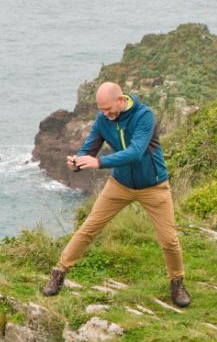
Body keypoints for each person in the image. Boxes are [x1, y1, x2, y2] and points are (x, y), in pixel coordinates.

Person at [41, 82, 191, 307]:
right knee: (89, 228)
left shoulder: (144, 116)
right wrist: (77, 162)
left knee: (169, 239)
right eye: (101, 110)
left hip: (153, 185)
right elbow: (89, 148)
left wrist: (98, 162)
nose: (105, 114)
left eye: (108, 109)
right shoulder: (103, 120)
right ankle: (59, 273)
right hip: (120, 184)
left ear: (121, 100)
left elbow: (135, 152)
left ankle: (177, 282)